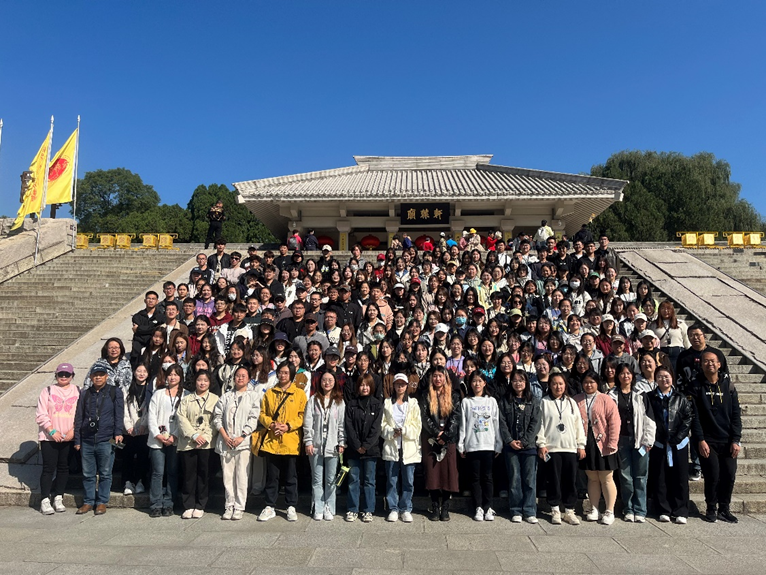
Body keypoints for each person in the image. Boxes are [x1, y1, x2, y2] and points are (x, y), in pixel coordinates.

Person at [688, 350, 742, 523]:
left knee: (729, 475)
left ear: (719, 364)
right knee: (712, 475)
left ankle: (724, 509)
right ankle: (711, 508)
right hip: (707, 440)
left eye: (712, 361)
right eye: (705, 361)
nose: (709, 364)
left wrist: (736, 439)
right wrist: (700, 439)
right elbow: (694, 416)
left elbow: (736, 414)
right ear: (701, 364)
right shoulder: (696, 386)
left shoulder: (729, 386)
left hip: (727, 440)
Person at [73, 360, 124, 515]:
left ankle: (102, 501)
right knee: (88, 474)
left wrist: (118, 432)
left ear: (106, 376)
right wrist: (77, 439)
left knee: (105, 473)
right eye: (95, 375)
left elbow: (119, 414)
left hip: (106, 439)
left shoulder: (114, 392)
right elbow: (79, 417)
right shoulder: (85, 394)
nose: (98, 378)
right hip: (87, 439)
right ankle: (88, 501)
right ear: (91, 377)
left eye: (101, 375)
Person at [258, 362, 308, 522]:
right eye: (280, 372)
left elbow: (302, 415)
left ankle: (291, 506)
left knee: (291, 476)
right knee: (272, 476)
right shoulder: (270, 393)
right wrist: (272, 424)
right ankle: (269, 506)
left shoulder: (299, 394)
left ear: (292, 375)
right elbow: (262, 413)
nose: (282, 375)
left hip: (291, 441)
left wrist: (288, 426)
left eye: (286, 373)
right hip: (272, 440)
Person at [536, 372, 586, 525]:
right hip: (552, 448)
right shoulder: (544, 402)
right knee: (554, 480)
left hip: (570, 448)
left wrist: (581, 445)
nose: (558, 387)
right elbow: (540, 424)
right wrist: (541, 444)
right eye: (554, 384)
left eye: (561, 383)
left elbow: (578, 425)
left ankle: (569, 510)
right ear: (550, 386)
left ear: (565, 385)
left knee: (570, 480)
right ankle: (555, 509)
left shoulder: (571, 402)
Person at [608, 364, 656, 522]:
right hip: (621, 440)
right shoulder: (611, 395)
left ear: (633, 376)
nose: (625, 376)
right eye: (622, 373)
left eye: (628, 373)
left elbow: (649, 419)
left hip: (640, 440)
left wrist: (648, 440)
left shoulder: (641, 394)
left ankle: (640, 510)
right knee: (625, 477)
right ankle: (628, 508)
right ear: (618, 376)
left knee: (641, 476)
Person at [213, 365, 259, 520]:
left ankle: (239, 506)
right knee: (228, 476)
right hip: (226, 442)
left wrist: (242, 436)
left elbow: (253, 418)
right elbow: (217, 417)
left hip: (243, 443)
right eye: (237, 375)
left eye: (243, 376)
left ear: (249, 379)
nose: (240, 378)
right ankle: (229, 505)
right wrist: (225, 436)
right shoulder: (226, 396)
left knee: (241, 476)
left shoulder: (253, 396)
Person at [648, 366, 692, 524]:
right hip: (659, 443)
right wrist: (658, 437)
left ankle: (681, 510)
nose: (663, 379)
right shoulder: (650, 397)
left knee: (680, 478)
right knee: (660, 477)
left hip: (678, 444)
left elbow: (688, 418)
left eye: (666, 376)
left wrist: (677, 437)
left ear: (672, 377)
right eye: (660, 376)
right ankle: (663, 509)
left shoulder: (681, 398)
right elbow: (648, 418)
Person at [575, 371, 620, 525]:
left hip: (603, 443)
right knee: (592, 478)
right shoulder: (576, 399)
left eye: (592, 382)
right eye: (586, 382)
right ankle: (594, 508)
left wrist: (612, 442)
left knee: (606, 478)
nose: (589, 385)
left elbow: (614, 422)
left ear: (597, 383)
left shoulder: (606, 399)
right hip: (585, 443)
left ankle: (609, 510)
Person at [498, 369, 542, 523]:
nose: (518, 383)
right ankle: (516, 510)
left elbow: (535, 423)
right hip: (511, 446)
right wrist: (510, 440)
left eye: (521, 380)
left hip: (529, 447)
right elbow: (502, 422)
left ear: (526, 383)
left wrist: (524, 441)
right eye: (515, 380)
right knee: (514, 479)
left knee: (530, 480)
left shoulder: (533, 400)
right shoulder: (505, 400)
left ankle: (529, 510)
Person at [36, 363, 80, 515]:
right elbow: (41, 414)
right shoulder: (47, 391)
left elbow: (81, 414)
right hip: (49, 437)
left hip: (69, 436)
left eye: (67, 374)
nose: (64, 377)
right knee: (48, 468)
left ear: (72, 376)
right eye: (61, 374)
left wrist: (73, 431)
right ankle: (44, 499)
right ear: (56, 375)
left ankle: (59, 496)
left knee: (64, 467)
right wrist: (51, 430)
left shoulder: (78, 390)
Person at [458, 371, 502, 521]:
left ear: (484, 383)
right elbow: (463, 424)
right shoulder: (466, 402)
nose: (477, 384)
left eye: (479, 381)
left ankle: (488, 507)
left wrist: (499, 443)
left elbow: (496, 423)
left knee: (488, 477)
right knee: (475, 478)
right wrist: (461, 443)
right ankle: (478, 507)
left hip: (488, 444)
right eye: (474, 381)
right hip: (472, 444)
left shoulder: (491, 401)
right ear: (470, 384)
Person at [303, 371, 346, 521]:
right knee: (317, 479)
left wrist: (342, 442)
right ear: (319, 382)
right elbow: (308, 422)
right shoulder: (313, 400)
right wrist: (308, 441)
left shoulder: (339, 402)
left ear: (335, 382)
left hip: (333, 445)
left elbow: (341, 424)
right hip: (316, 445)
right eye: (324, 380)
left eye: (330, 380)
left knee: (330, 479)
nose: (327, 383)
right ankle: (318, 507)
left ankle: (329, 507)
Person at [421, 366, 461, 521]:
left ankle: (445, 505)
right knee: (433, 473)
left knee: (447, 473)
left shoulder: (454, 395)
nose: (438, 379)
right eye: (435, 376)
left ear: (445, 378)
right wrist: (436, 433)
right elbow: (424, 416)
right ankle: (434, 505)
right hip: (431, 438)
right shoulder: (426, 395)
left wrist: (446, 434)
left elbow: (456, 417)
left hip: (448, 439)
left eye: (440, 376)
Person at [177, 370, 219, 519]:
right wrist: (194, 435)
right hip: (188, 443)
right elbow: (181, 418)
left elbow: (216, 420)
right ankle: (188, 505)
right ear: (195, 381)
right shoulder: (186, 399)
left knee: (204, 474)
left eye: (205, 380)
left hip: (206, 444)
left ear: (210, 383)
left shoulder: (215, 399)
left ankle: (200, 504)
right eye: (200, 380)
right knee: (189, 475)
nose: (202, 383)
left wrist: (205, 437)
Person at [381, 373, 422, 523]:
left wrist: (404, 431)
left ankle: (405, 508)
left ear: (406, 386)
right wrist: (392, 432)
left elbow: (417, 426)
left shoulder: (413, 403)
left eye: (403, 384)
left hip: (408, 448)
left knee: (408, 481)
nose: (400, 387)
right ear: (394, 386)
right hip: (392, 447)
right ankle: (393, 508)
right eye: (397, 384)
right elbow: (382, 425)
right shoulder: (387, 403)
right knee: (392, 480)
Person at [147, 364, 186, 517]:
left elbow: (184, 419)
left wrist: (174, 436)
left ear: (181, 377)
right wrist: (157, 435)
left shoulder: (186, 394)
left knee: (172, 472)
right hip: (158, 439)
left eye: (176, 374)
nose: (172, 377)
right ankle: (156, 504)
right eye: (170, 374)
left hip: (175, 439)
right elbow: (151, 416)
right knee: (157, 472)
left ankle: (169, 503)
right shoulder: (158, 394)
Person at [343, 373, 383, 522]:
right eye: (361, 385)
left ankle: (368, 510)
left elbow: (376, 428)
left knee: (369, 480)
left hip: (371, 449)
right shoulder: (351, 404)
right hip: (354, 449)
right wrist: (357, 445)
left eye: (367, 385)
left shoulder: (377, 404)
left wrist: (365, 446)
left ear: (371, 386)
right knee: (353, 479)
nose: (364, 388)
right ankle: (353, 509)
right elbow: (349, 426)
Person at [122, 363, 151, 496]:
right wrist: (128, 426)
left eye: (144, 371)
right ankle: (128, 482)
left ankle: (140, 481)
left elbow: (151, 409)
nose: (141, 374)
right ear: (134, 372)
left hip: (144, 430)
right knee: (127, 456)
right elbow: (124, 410)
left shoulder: (150, 389)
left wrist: (144, 425)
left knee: (142, 457)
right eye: (139, 371)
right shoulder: (126, 389)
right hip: (129, 430)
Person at [130, 291, 165, 367]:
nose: (150, 300)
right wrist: (153, 327)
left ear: (157, 301)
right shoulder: (137, 316)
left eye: (153, 299)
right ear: (145, 300)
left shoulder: (161, 316)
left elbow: (158, 330)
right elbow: (137, 331)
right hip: (138, 347)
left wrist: (140, 329)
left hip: (153, 346)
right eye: (149, 298)